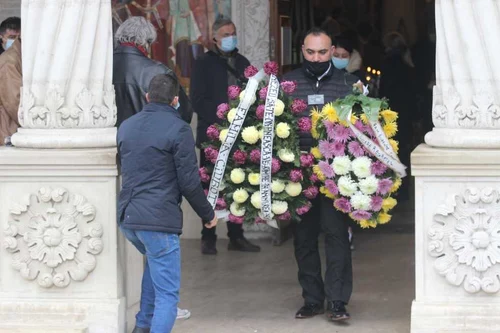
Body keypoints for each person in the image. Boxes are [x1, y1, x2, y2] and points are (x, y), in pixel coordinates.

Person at [118, 74, 218, 333]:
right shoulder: (178, 128)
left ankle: (142, 326)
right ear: (175, 100)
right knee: (168, 295)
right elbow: (189, 183)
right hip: (159, 221)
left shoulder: (126, 126)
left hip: (129, 218)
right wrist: (208, 215)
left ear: (147, 97)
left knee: (154, 266)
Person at [283, 27, 357, 322]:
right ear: (302, 50)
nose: (316, 57)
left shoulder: (348, 84)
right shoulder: (287, 84)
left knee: (337, 236)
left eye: (323, 52)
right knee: (303, 238)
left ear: (332, 50)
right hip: (298, 176)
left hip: (336, 175)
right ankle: (312, 299)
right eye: (311, 52)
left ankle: (338, 300)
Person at [190, 15, 260, 255]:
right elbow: (197, 100)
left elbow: (254, 95)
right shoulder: (203, 63)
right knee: (210, 186)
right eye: (226, 35)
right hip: (213, 134)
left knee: (237, 184)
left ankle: (236, 236)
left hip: (241, 136)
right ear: (214, 38)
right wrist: (224, 119)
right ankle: (208, 236)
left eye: (233, 33)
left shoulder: (243, 62)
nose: (231, 38)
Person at [113, 16, 193, 127]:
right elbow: (185, 113)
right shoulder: (160, 72)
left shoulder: (102, 68)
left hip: (108, 141)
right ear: (147, 42)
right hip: (148, 140)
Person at [379, 32, 416, 202]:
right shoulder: (407, 65)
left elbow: (383, 90)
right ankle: (404, 187)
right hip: (406, 113)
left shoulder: (387, 63)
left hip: (390, 113)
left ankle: (391, 187)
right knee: (404, 149)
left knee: (389, 149)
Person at [0, 17, 22, 146]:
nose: (12, 41)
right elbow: (14, 100)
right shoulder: (9, 62)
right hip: (9, 128)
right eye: (11, 37)